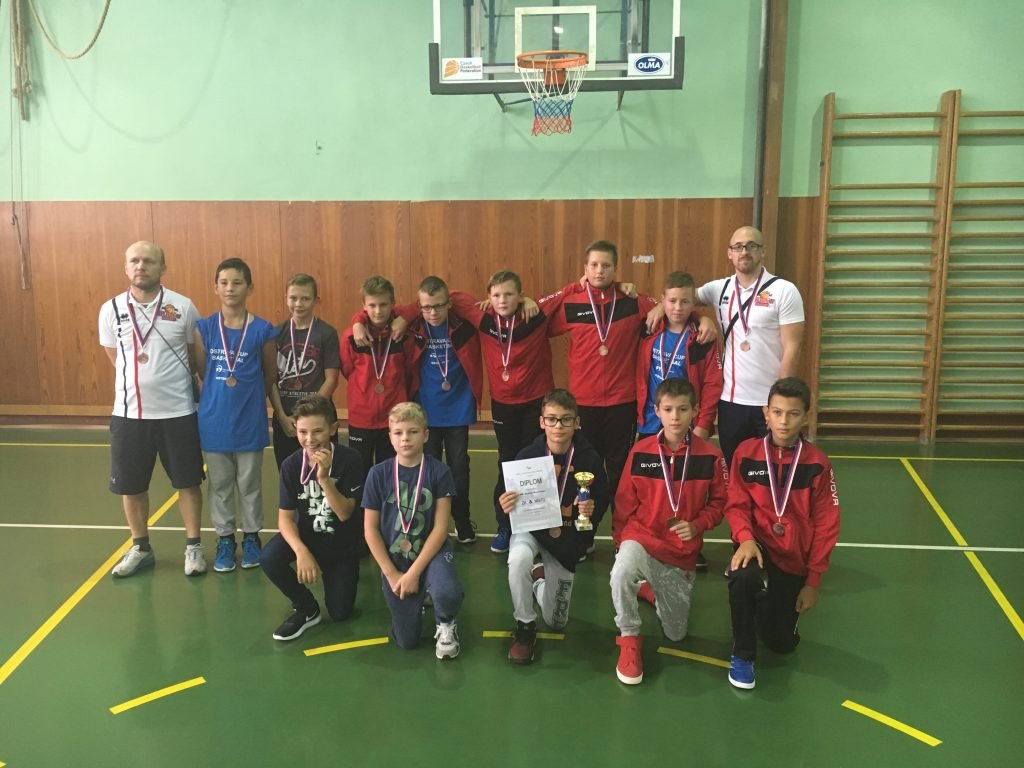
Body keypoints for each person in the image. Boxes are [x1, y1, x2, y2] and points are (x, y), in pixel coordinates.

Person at [538, 240, 658, 555]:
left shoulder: (631, 302)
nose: (599, 271)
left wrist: (701, 319)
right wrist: (569, 289)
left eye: (606, 265)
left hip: (621, 404)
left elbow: (669, 307)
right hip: (583, 406)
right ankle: (585, 536)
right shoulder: (574, 303)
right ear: (585, 268)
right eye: (594, 265)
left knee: (619, 477)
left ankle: (621, 537)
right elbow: (538, 313)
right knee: (584, 476)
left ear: (615, 269)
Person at [724, 377, 840, 690]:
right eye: (777, 412)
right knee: (742, 575)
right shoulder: (746, 453)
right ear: (766, 413)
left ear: (806, 417)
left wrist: (813, 581)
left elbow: (827, 525)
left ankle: (764, 603)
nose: (784, 421)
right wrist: (745, 538)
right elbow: (735, 504)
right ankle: (742, 655)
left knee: (781, 643)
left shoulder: (817, 464)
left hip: (793, 557)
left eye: (793, 414)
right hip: (756, 545)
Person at [99, 241, 207, 577]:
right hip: (129, 415)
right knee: (131, 486)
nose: (141, 266)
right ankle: (141, 547)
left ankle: (193, 547)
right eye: (134, 260)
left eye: (148, 261)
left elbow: (194, 357)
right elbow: (115, 357)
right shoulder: (111, 309)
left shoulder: (183, 306)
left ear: (163, 267)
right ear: (125, 267)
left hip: (178, 413)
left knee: (188, 482)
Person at [610, 378, 728, 685]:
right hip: (641, 538)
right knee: (621, 571)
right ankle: (629, 639)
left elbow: (720, 503)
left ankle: (650, 590)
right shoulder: (640, 451)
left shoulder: (711, 456)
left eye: (682, 409)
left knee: (676, 634)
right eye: (668, 409)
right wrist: (621, 543)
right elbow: (623, 502)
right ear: (657, 411)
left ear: (695, 411)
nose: (675, 417)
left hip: (680, 552)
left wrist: (698, 524)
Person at [497, 388, 608, 664]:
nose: (558, 426)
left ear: (577, 422)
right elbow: (505, 503)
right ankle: (524, 625)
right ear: (542, 422)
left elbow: (602, 499)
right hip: (532, 530)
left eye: (566, 419)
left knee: (556, 621)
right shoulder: (527, 456)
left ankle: (539, 581)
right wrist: (505, 506)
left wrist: (591, 511)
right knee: (518, 559)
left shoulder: (589, 459)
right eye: (552, 419)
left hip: (565, 538)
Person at [448, 270, 553, 555]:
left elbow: (566, 294)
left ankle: (539, 529)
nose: (502, 300)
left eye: (509, 294)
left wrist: (530, 301)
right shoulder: (483, 318)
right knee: (507, 463)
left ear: (520, 295)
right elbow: (450, 295)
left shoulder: (535, 315)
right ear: (488, 297)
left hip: (536, 402)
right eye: (496, 295)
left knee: (536, 464)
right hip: (503, 404)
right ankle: (505, 525)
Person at [636, 270, 724, 571]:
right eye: (672, 301)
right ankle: (651, 540)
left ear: (693, 303)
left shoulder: (702, 337)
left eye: (685, 302)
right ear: (662, 300)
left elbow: (712, 383)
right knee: (653, 487)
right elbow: (632, 297)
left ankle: (689, 543)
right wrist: (656, 307)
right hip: (650, 421)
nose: (678, 307)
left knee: (685, 488)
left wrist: (703, 424)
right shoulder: (648, 327)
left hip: (684, 423)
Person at [696, 226, 804, 469]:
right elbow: (679, 300)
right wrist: (701, 318)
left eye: (751, 246)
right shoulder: (719, 289)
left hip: (769, 403)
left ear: (762, 251)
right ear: (729, 253)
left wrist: (781, 402)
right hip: (731, 402)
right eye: (738, 247)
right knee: (735, 469)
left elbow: (793, 347)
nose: (744, 251)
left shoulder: (784, 290)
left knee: (773, 470)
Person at [363, 402, 465, 658]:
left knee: (447, 592)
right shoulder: (378, 474)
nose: (405, 438)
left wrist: (414, 573)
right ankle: (417, 600)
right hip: (395, 559)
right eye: (398, 433)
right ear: (390, 437)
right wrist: (391, 573)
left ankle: (445, 621)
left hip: (431, 553)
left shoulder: (439, 472)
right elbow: (370, 529)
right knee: (407, 641)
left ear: (426, 435)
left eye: (413, 432)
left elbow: (441, 528)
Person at [194, 258, 277, 573]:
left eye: (237, 282)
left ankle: (252, 536)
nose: (230, 288)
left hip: (249, 421)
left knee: (250, 483)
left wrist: (250, 397)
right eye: (224, 282)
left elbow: (269, 373)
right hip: (214, 421)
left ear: (249, 288)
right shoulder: (204, 328)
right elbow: (203, 370)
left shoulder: (262, 330)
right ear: (215, 287)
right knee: (220, 484)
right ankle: (225, 539)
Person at [261, 395, 365, 641]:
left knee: (340, 613)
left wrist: (324, 479)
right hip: (308, 538)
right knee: (269, 558)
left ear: (333, 429)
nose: (310, 439)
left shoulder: (351, 460)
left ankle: (338, 575)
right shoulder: (291, 465)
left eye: (317, 431)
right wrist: (301, 551)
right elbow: (285, 519)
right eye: (303, 431)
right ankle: (306, 608)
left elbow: (345, 513)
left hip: (341, 546)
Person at [400, 276, 483, 545]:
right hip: (426, 410)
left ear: (449, 303)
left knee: (459, 467)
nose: (433, 312)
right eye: (426, 307)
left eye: (438, 305)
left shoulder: (464, 326)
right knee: (429, 468)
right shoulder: (415, 328)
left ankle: (462, 521)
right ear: (419, 306)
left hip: (458, 407)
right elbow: (379, 311)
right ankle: (433, 524)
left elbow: (474, 303)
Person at [340, 275, 411, 478]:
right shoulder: (351, 337)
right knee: (359, 473)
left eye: (383, 304)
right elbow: (347, 369)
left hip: (394, 418)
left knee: (390, 474)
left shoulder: (403, 335)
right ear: (364, 306)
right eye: (372, 305)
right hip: (361, 418)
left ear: (393, 303)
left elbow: (409, 370)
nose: (378, 311)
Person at [268, 273, 341, 469]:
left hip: (318, 420)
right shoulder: (275, 333)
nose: (298, 304)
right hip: (286, 420)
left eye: (305, 298)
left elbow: (331, 380)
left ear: (316, 300)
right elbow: (271, 379)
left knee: (323, 473)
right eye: (293, 298)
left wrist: (308, 416)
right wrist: (281, 416)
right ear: (286, 298)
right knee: (289, 474)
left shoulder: (326, 333)